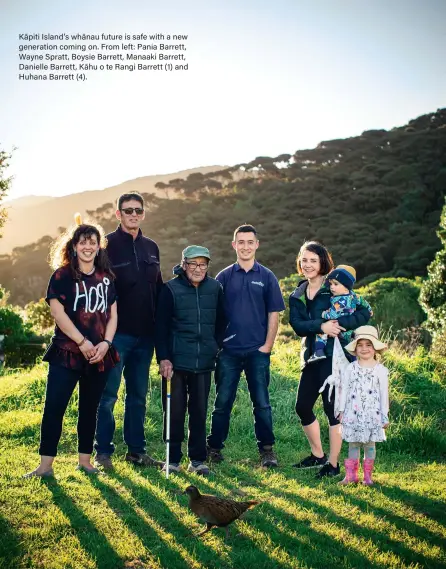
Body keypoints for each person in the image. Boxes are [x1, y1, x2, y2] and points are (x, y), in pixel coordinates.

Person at [24, 215, 119, 477]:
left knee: (90, 410)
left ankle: (85, 462)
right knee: (54, 408)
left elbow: (113, 315)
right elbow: (58, 313)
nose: (88, 247)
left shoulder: (106, 277)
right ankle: (45, 466)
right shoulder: (62, 275)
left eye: (93, 242)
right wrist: (83, 342)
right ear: (74, 246)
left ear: (99, 246)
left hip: (98, 356)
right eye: (82, 242)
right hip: (67, 354)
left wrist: (106, 344)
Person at [289, 241, 371, 478]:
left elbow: (364, 312)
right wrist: (321, 325)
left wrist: (338, 325)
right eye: (304, 260)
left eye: (313, 260)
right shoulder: (298, 293)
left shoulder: (334, 286)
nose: (308, 265)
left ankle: (333, 464)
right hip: (312, 356)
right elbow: (297, 326)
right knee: (302, 406)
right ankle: (317, 455)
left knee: (332, 410)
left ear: (323, 262)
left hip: (336, 357)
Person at [207, 224, 285, 467]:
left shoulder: (267, 277)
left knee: (261, 403)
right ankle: (214, 448)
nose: (245, 246)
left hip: (257, 351)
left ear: (256, 245)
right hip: (228, 352)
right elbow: (214, 312)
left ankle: (267, 451)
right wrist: (218, 345)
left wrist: (267, 346)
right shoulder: (223, 277)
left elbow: (275, 313)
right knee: (222, 402)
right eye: (241, 242)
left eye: (250, 242)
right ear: (234, 245)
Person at [94, 192, 163, 470]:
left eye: (137, 210)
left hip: (146, 337)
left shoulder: (152, 247)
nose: (133, 214)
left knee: (137, 395)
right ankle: (103, 453)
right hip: (116, 336)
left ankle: (137, 452)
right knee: (108, 395)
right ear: (118, 214)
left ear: (143, 214)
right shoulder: (105, 247)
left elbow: (158, 288)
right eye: (127, 210)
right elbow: (97, 290)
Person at [155, 245, 226, 475]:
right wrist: (163, 358)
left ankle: (197, 460)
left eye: (203, 264)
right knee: (174, 412)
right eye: (193, 264)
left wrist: (215, 345)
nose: (198, 269)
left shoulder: (215, 288)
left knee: (199, 411)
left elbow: (222, 321)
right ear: (183, 265)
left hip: (204, 361)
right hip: (175, 363)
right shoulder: (170, 289)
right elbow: (161, 327)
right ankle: (172, 459)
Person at [338, 326, 389, 486]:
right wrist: (341, 410)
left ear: (375, 349)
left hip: (372, 414)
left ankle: (368, 477)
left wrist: (384, 415)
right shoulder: (351, 368)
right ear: (355, 348)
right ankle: (351, 475)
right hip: (352, 413)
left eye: (369, 345)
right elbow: (344, 390)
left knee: (370, 445)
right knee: (353, 443)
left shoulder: (381, 370)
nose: (364, 348)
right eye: (360, 345)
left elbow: (384, 395)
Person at [309, 265, 373, 362]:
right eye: (331, 284)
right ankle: (354, 360)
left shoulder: (339, 301)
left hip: (337, 327)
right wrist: (369, 309)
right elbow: (364, 302)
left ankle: (319, 352)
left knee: (321, 334)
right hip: (349, 330)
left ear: (346, 286)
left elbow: (333, 314)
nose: (332, 287)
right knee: (349, 347)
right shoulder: (354, 296)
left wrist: (324, 314)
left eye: (335, 284)